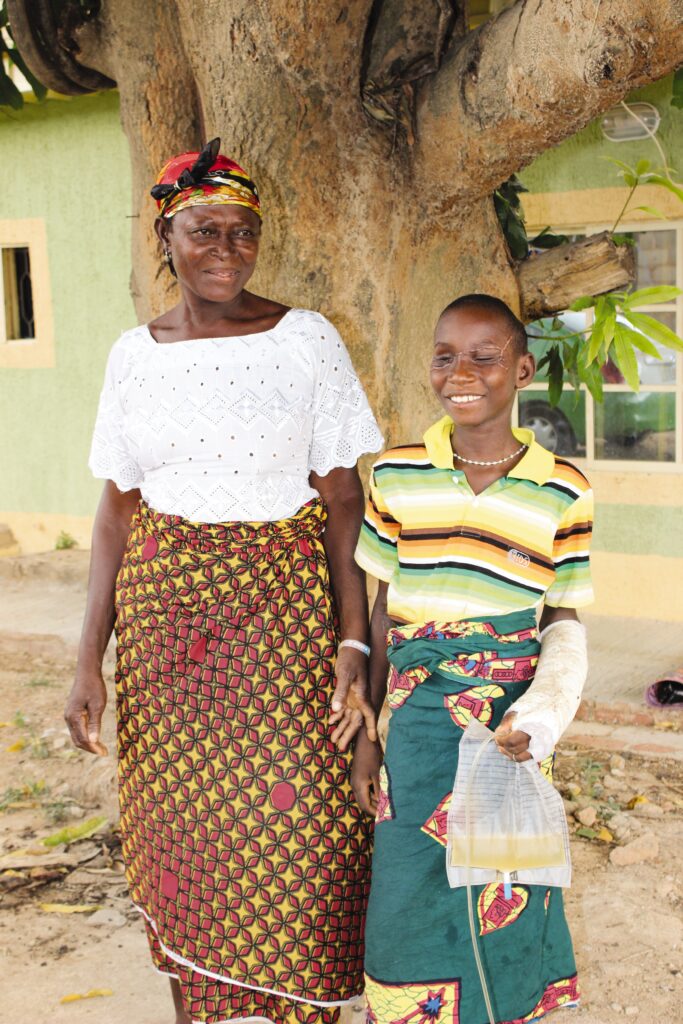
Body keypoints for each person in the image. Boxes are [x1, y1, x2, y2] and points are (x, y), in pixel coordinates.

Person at [64, 138, 383, 1024]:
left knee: (303, 833)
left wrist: (353, 641)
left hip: (285, 620)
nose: (226, 250)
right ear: (165, 237)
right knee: (184, 837)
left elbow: (343, 502)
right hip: (165, 636)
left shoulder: (304, 339)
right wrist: (88, 660)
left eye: (243, 232)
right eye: (204, 230)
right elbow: (116, 512)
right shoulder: (134, 355)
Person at [353, 294, 593, 1024]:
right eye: (445, 356)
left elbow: (561, 617)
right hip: (416, 728)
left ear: (521, 370)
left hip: (507, 728)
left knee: (503, 884)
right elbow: (382, 609)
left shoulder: (564, 488)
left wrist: (542, 716)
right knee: (406, 888)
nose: (461, 373)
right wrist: (368, 737)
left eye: (484, 357)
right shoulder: (396, 473)